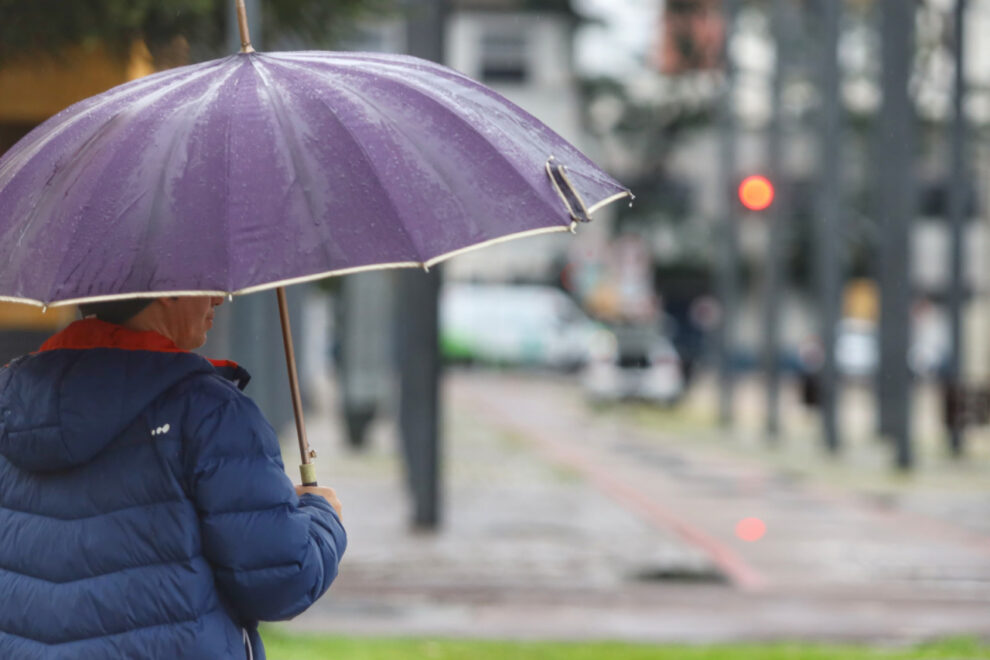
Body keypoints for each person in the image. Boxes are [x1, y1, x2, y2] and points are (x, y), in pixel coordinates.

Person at [0, 296, 346, 660]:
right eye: (206, 283)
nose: (218, 298)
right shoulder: (210, 413)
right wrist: (323, 516)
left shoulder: (13, 405)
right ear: (166, 292)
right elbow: (281, 581)